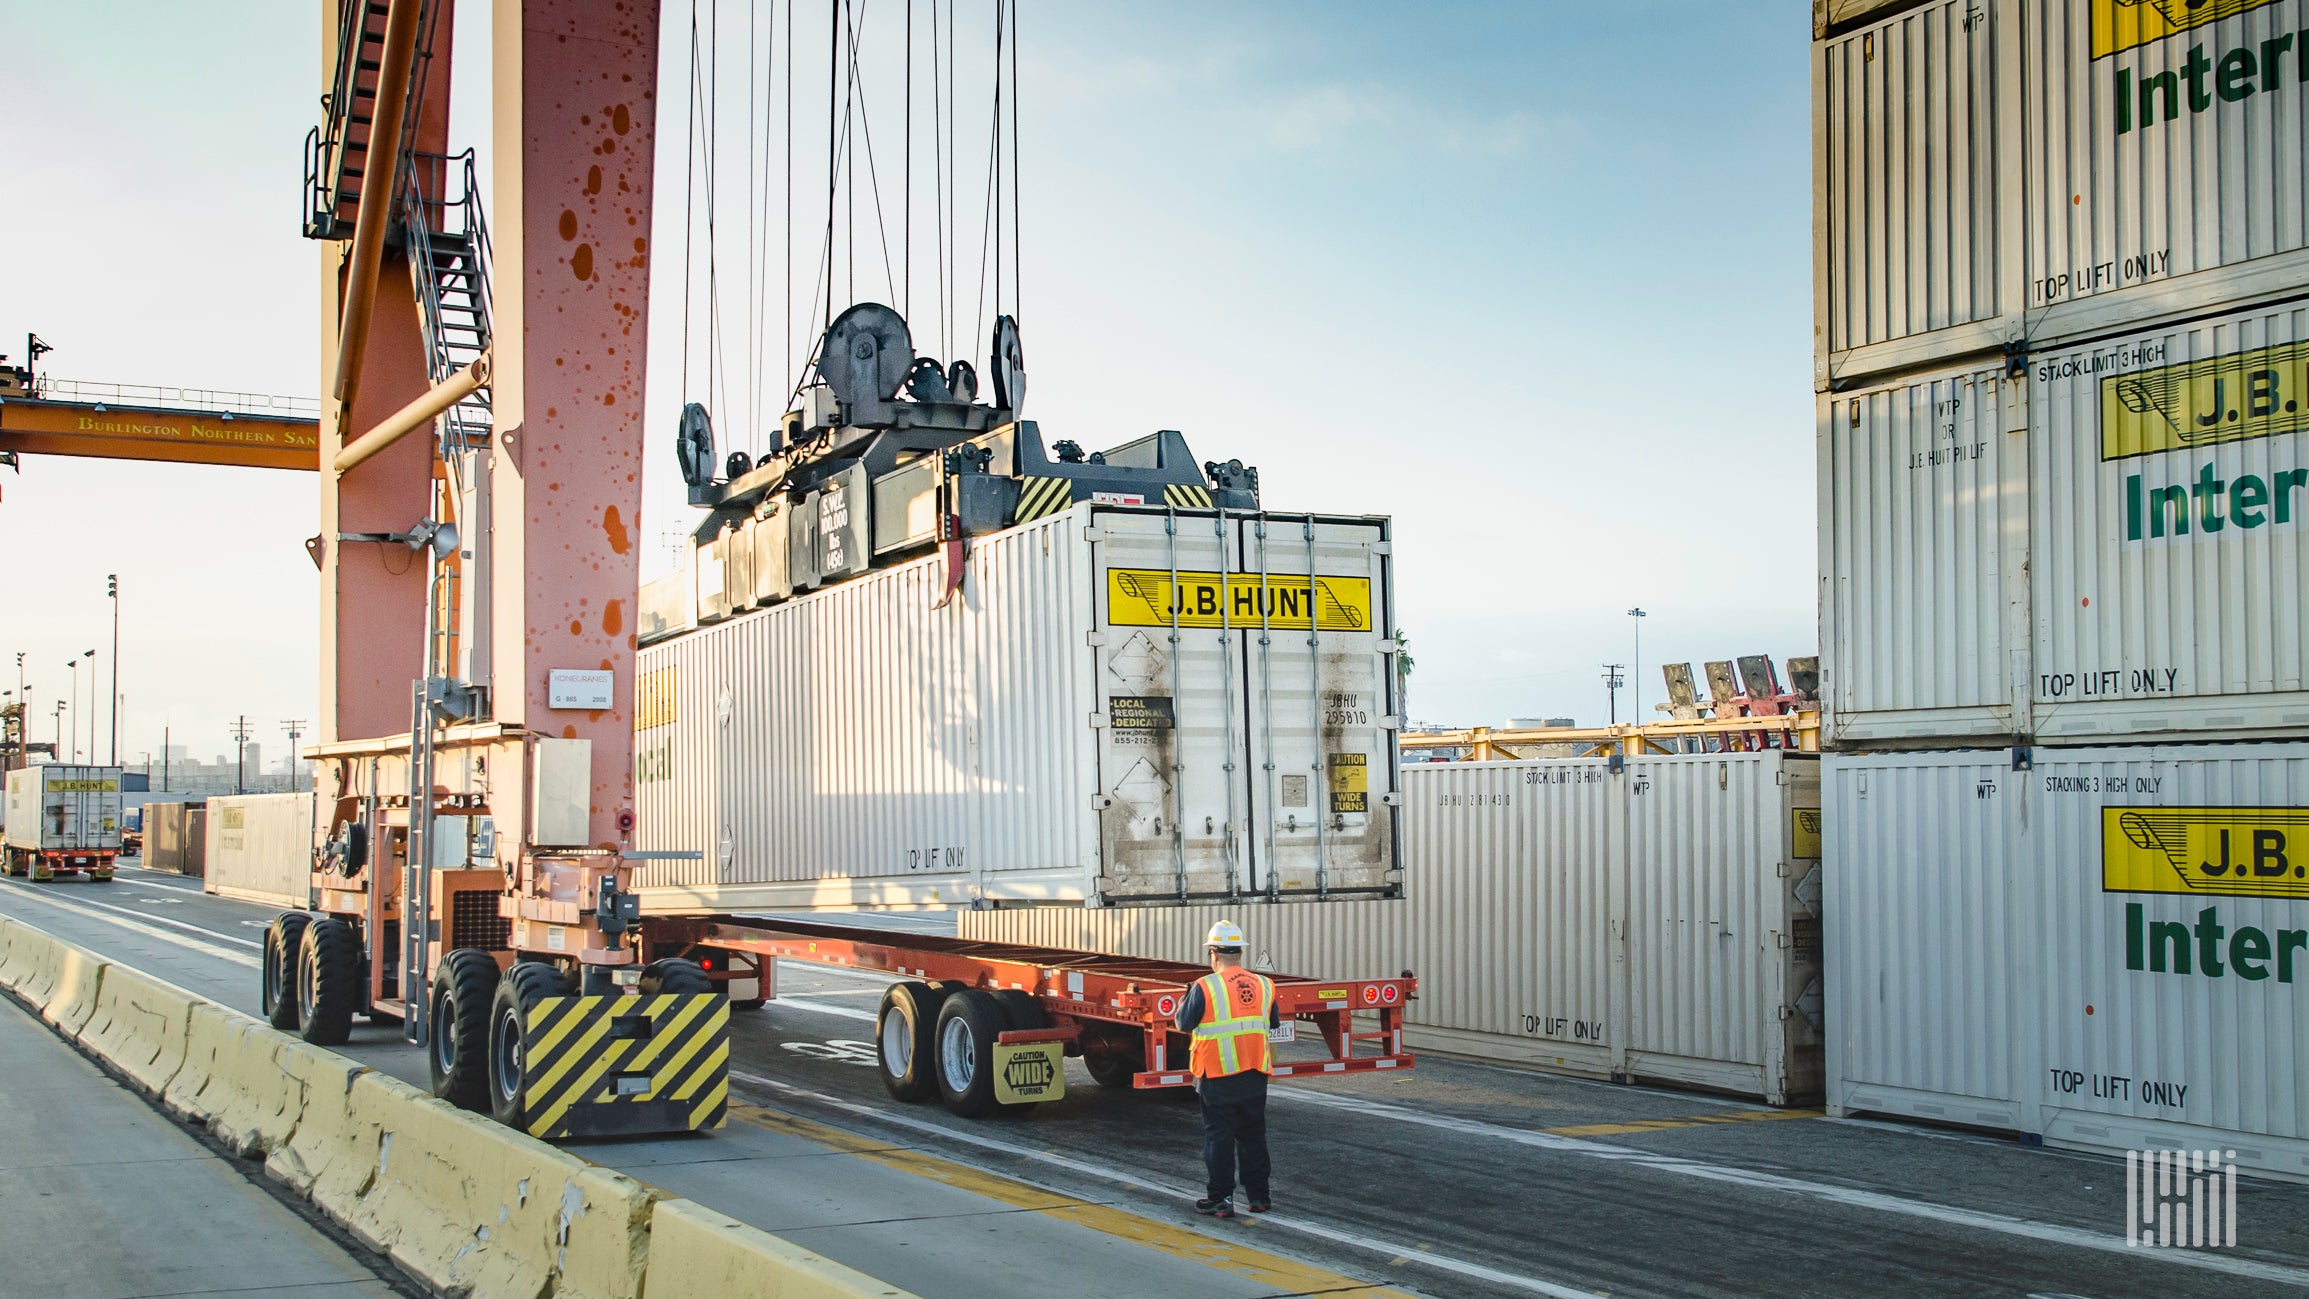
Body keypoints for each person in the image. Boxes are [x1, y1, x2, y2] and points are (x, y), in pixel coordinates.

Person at [1173, 919, 1280, 1219]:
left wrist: (1185, 999)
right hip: (1255, 1073)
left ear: (1213, 954)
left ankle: (1221, 1198)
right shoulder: (1264, 984)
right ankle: (1259, 1197)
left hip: (1218, 1074)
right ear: (1241, 954)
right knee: (1253, 1135)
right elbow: (1271, 1023)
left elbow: (1182, 1024)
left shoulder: (1204, 986)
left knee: (1219, 1137)